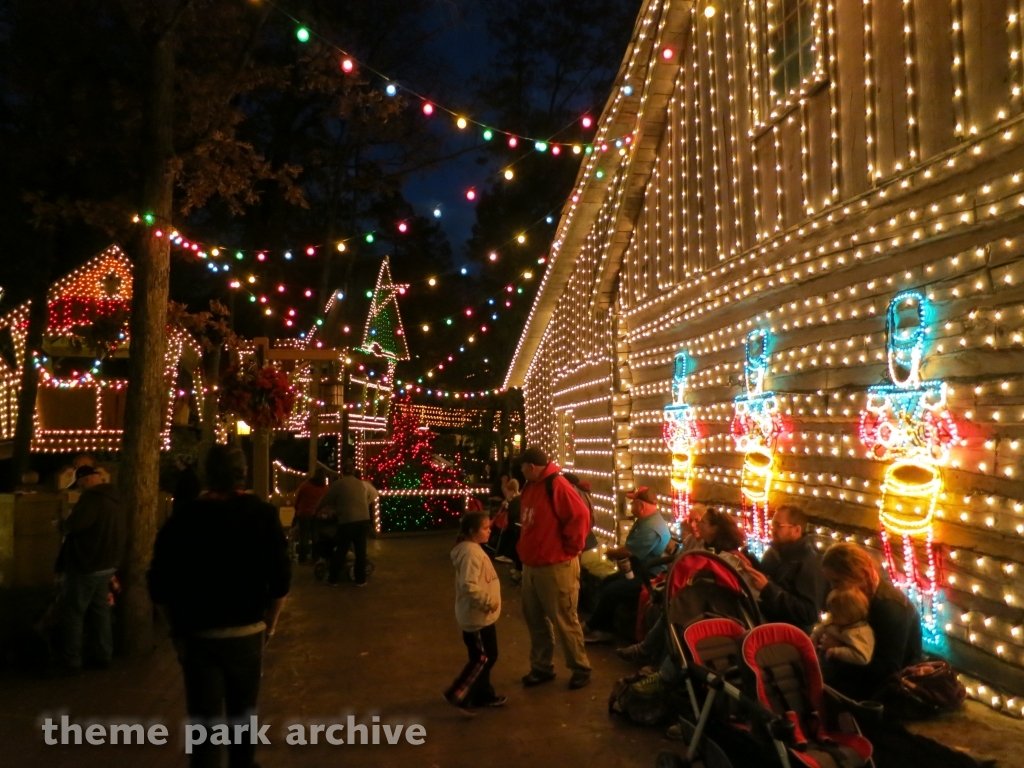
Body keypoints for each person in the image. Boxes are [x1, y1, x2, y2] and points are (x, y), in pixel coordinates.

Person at [148, 446, 291, 768]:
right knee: (243, 714)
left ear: (205, 475)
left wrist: (175, 627)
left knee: (204, 721)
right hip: (247, 630)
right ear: (243, 473)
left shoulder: (184, 518)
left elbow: (158, 582)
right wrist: (271, 623)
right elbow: (281, 577)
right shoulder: (262, 515)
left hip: (199, 633)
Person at [516, 446, 592, 690]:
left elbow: (579, 515)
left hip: (556, 565)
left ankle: (580, 667)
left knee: (564, 619)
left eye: (522, 466)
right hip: (533, 564)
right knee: (535, 619)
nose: (520, 470)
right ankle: (541, 666)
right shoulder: (533, 485)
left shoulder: (556, 484)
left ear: (531, 467)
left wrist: (570, 549)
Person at [819, 543, 923, 700]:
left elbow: (887, 670)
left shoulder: (890, 607)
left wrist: (838, 650)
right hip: (857, 671)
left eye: (837, 581)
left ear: (860, 574)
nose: (833, 588)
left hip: (888, 688)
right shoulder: (855, 597)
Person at [55, 465, 126, 675]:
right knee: (101, 611)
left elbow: (74, 526)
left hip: (87, 564)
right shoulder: (116, 498)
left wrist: (60, 525)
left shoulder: (91, 499)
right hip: (108, 563)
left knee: (74, 612)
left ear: (85, 480)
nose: (79, 489)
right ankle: (104, 655)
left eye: (78, 484)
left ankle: (72, 660)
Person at [582, 487, 671, 643]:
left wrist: (612, 553)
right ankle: (601, 626)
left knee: (611, 590)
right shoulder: (646, 521)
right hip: (637, 569)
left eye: (633, 503)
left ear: (641, 506)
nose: (629, 506)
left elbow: (630, 551)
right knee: (606, 583)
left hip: (648, 575)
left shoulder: (651, 527)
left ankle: (597, 628)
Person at [444, 511, 506, 714]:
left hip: (481, 614)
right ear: (472, 531)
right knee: (484, 657)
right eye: (485, 528)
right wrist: (488, 602)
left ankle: (483, 694)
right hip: (477, 615)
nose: (490, 531)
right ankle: (459, 692)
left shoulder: (473, 549)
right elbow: (468, 585)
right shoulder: (471, 553)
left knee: (483, 655)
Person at [739, 505, 829, 635]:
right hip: (761, 622)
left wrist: (769, 590)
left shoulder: (810, 562)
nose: (772, 530)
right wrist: (749, 561)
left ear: (796, 530)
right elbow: (770, 578)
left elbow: (809, 613)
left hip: (787, 637)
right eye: (772, 524)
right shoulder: (774, 552)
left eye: (778, 526)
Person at [316, 462, 373, 586]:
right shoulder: (360, 484)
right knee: (360, 551)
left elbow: (326, 499)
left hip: (348, 520)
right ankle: (360, 580)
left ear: (342, 472)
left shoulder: (338, 484)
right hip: (363, 519)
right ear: (352, 472)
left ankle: (333, 579)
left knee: (341, 549)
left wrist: (317, 509)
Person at [812, 588, 875, 665]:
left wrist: (836, 651)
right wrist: (814, 636)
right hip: (821, 659)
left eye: (836, 615)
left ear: (850, 616)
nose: (831, 616)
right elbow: (823, 627)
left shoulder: (859, 633)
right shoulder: (834, 621)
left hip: (841, 669)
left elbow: (862, 657)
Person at [293, 468, 328, 564]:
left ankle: (302, 558)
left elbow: (297, 499)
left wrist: (297, 509)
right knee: (315, 536)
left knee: (303, 536)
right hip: (316, 514)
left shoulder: (305, 485)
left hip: (304, 513)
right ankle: (315, 557)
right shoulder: (325, 488)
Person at [493, 479, 523, 583]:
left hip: (513, 525)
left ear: (511, 490)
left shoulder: (514, 500)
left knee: (507, 533)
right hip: (516, 524)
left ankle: (507, 555)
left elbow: (512, 515)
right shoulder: (519, 498)